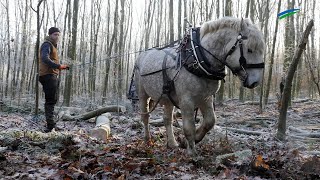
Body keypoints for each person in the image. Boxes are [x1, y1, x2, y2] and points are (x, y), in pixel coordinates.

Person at [39, 27, 69, 132]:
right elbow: (44, 58)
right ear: (50, 35)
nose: (57, 37)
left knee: (53, 99)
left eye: (58, 35)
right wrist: (58, 66)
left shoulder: (52, 46)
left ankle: (51, 125)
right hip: (48, 75)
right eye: (55, 34)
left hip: (51, 75)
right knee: (50, 101)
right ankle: (50, 127)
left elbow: (52, 62)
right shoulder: (46, 44)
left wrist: (61, 67)